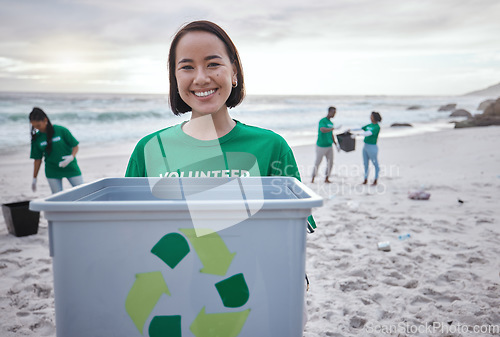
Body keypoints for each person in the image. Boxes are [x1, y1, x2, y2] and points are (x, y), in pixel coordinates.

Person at [125, 20, 311, 329]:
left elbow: (293, 234)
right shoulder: (149, 149)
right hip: (174, 304)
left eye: (213, 64)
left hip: (252, 301)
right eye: (186, 67)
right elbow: (129, 235)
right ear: (174, 78)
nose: (201, 78)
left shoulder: (271, 147)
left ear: (234, 72)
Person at [29, 107, 83, 194]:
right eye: (34, 126)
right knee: (57, 197)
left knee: (82, 192)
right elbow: (37, 160)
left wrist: (71, 157)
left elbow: (75, 146)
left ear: (45, 120)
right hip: (52, 170)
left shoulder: (61, 130)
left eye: (38, 125)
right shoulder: (37, 139)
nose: (37, 128)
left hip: (70, 166)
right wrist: (34, 178)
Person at [350, 111, 382, 185]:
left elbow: (368, 133)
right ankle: (365, 179)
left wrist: (357, 135)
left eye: (371, 116)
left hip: (372, 147)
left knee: (375, 164)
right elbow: (360, 128)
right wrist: (350, 129)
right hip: (365, 146)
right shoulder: (369, 125)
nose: (370, 117)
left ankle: (375, 179)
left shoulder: (377, 127)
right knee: (365, 163)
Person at [311, 106, 339, 183]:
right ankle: (313, 178)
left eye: (335, 113)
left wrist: (336, 143)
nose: (334, 114)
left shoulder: (331, 123)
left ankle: (327, 178)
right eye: (333, 112)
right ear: (329, 112)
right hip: (321, 145)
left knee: (330, 162)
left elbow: (331, 134)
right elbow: (322, 130)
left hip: (329, 145)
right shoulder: (322, 121)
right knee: (318, 162)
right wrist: (332, 129)